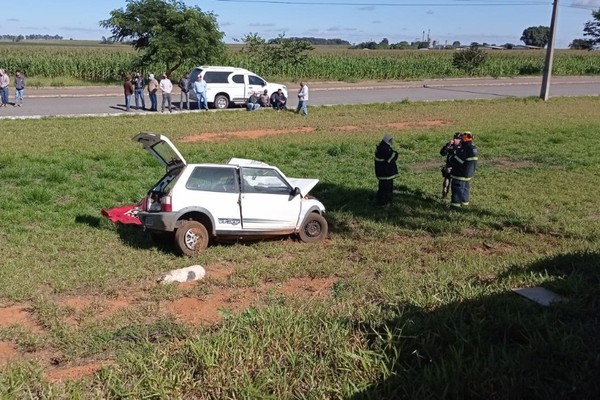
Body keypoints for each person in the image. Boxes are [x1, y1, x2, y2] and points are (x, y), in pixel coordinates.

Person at [449, 131, 478, 208]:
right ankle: (464, 204)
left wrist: (453, 153)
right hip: (468, 174)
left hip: (460, 174)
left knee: (457, 189)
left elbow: (458, 160)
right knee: (465, 189)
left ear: (464, 139)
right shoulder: (473, 148)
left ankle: (455, 206)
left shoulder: (465, 149)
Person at [374, 134, 399, 206]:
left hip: (382, 173)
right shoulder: (385, 149)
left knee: (382, 188)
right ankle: (385, 202)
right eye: (391, 140)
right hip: (386, 173)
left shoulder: (381, 147)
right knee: (387, 189)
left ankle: (382, 201)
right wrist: (395, 153)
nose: (392, 142)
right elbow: (394, 155)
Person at [439, 132, 462, 198]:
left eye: (457, 139)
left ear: (460, 139)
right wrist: (447, 146)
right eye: (454, 138)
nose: (455, 140)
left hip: (457, 168)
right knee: (446, 182)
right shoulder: (450, 145)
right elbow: (442, 153)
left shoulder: (462, 147)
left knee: (456, 183)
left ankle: (456, 197)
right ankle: (444, 195)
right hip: (449, 167)